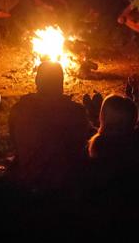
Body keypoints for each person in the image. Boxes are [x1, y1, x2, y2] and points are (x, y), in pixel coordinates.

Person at [8, 62, 90, 192]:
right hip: (64, 184)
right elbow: (79, 146)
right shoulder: (75, 112)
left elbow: (14, 142)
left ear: (37, 81)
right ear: (61, 82)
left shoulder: (19, 109)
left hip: (27, 178)